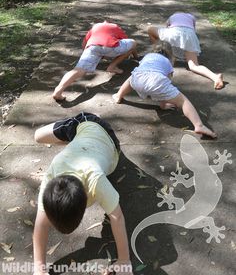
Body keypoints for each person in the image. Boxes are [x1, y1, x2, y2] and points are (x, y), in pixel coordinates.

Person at [33, 112, 133, 275]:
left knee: (41, 136)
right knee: (38, 137)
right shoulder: (52, 177)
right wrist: (39, 268)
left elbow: (117, 216)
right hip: (82, 137)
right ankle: (75, 139)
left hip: (99, 131)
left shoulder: (95, 179)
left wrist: (124, 260)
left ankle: (84, 129)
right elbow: (41, 224)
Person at [113, 42, 217, 139]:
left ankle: (119, 95)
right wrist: (164, 102)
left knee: (133, 76)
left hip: (137, 79)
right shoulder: (167, 62)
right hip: (156, 81)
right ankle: (199, 125)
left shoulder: (147, 56)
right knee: (183, 101)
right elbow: (165, 83)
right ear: (170, 54)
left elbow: (142, 69)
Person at [53, 21, 138, 101]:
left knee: (79, 70)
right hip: (111, 45)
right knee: (133, 43)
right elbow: (125, 42)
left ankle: (58, 90)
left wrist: (95, 57)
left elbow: (84, 45)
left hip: (92, 47)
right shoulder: (115, 26)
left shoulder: (94, 27)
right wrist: (135, 56)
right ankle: (112, 66)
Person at [147, 12, 224, 90]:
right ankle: (215, 77)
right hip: (190, 35)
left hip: (174, 32)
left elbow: (167, 28)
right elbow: (193, 30)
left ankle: (158, 52)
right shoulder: (192, 17)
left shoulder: (172, 16)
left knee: (150, 30)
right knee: (194, 66)